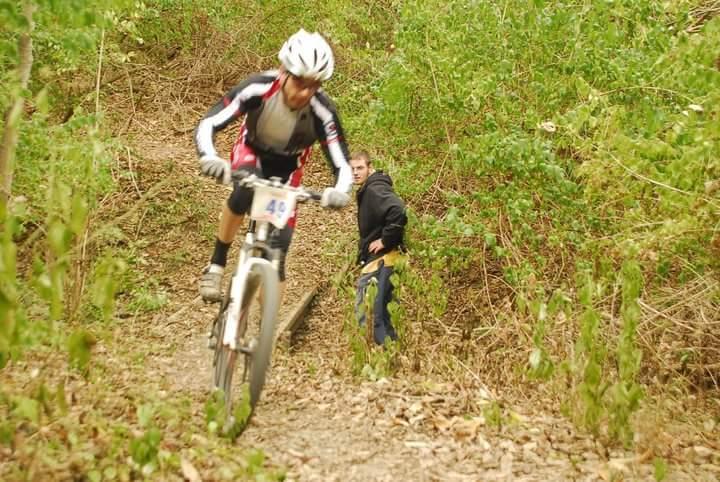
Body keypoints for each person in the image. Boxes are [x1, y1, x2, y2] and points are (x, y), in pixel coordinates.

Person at [194, 29, 352, 307]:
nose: (305, 92)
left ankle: (265, 339)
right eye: (300, 82)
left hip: (288, 169)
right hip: (251, 152)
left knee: (279, 250)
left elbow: (341, 162)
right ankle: (216, 265)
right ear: (283, 72)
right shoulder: (258, 88)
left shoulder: (323, 111)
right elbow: (210, 121)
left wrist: (340, 190)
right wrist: (210, 156)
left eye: (314, 86)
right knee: (244, 190)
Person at [350, 151, 407, 346]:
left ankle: (380, 357)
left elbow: (397, 211)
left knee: (371, 313)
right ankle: (387, 356)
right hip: (381, 259)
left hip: (383, 259)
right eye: (352, 169)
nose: (356, 173)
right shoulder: (370, 189)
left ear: (370, 167)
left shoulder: (375, 190)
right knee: (383, 310)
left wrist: (384, 241)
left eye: (360, 168)